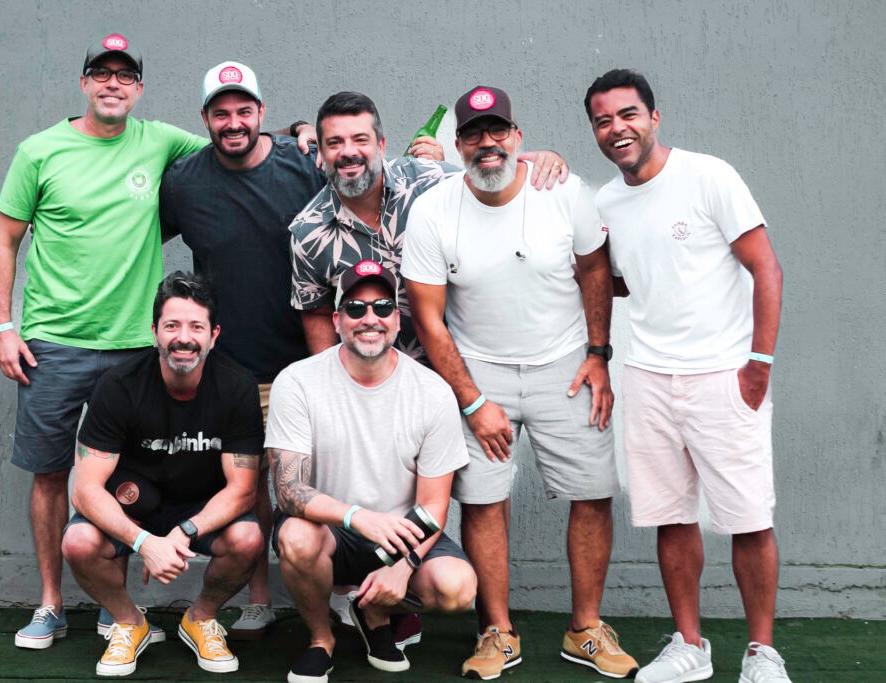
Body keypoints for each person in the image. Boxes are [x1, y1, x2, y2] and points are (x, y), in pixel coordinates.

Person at [0, 39, 315, 647]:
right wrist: (4, 327)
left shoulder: (166, 142)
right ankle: (53, 605)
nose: (113, 84)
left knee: (154, 470)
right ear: (84, 82)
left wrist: (304, 130)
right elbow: (5, 239)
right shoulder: (40, 151)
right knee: (51, 473)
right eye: (101, 74)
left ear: (139, 89)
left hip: (142, 343)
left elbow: (255, 143)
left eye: (126, 76)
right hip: (54, 340)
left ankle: (144, 608)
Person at [402, 85, 638, 680]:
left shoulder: (562, 192)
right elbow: (428, 315)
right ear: (457, 146)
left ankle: (585, 628)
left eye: (497, 131)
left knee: (591, 493)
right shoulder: (433, 210)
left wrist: (598, 354)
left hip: (567, 366)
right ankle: (496, 632)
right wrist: (473, 399)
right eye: (474, 134)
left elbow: (594, 269)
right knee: (482, 500)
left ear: (518, 137)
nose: (487, 143)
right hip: (479, 371)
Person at [584, 69, 788, 683]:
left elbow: (767, 269)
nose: (617, 129)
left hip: (724, 375)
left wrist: (759, 365)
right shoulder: (605, 202)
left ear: (654, 116)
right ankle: (690, 646)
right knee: (671, 517)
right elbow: (622, 280)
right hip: (646, 378)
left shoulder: (709, 176)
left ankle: (761, 653)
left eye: (628, 115)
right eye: (602, 120)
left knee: (748, 518)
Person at [158, 60, 326, 639]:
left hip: (310, 357)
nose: (233, 122)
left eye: (244, 110)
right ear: (205, 118)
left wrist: (527, 163)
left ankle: (344, 591)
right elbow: (129, 238)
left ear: (262, 114)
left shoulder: (303, 163)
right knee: (250, 486)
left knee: (315, 480)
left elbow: (373, 177)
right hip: (234, 364)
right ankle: (258, 598)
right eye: (221, 112)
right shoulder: (183, 181)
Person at [266, 261, 477, 682]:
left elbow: (433, 504)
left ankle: (374, 611)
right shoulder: (298, 381)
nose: (370, 319)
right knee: (295, 534)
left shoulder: (431, 391)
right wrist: (357, 516)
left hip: (403, 535)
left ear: (397, 320)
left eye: (382, 308)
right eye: (356, 308)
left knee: (458, 588)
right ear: (337, 319)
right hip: (332, 531)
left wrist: (404, 567)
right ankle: (321, 639)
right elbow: (288, 491)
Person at [61, 271, 265, 677]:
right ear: (154, 331)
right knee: (78, 541)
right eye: (172, 325)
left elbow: (243, 491)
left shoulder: (237, 386)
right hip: (137, 508)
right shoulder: (118, 386)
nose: (183, 337)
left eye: (195, 326)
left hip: (201, 510)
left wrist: (182, 532)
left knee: (249, 537)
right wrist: (143, 542)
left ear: (214, 334)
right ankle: (128, 622)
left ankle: (201, 618)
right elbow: (85, 490)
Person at [289, 91, 570, 362]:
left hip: (461, 368)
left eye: (360, 139)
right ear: (321, 152)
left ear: (382, 145)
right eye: (335, 142)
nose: (348, 152)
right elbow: (317, 313)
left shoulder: (431, 182)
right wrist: (332, 383)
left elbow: (491, 174)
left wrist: (543, 160)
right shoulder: (308, 232)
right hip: (369, 381)